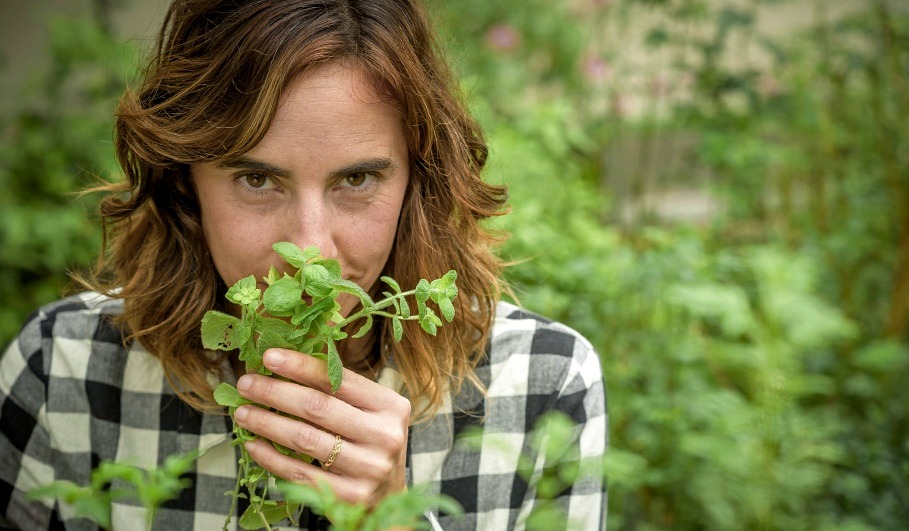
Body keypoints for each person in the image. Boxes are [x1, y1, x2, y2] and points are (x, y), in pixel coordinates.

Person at [0, 1, 607, 529]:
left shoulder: (540, 385)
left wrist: (391, 523)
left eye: (358, 178)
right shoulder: (63, 370)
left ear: (419, 181)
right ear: (184, 181)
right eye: (257, 179)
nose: (312, 252)